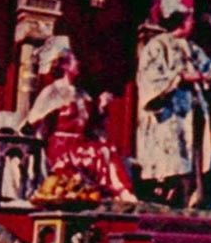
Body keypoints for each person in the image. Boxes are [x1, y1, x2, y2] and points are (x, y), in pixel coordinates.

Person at [135, 0, 211, 208]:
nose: (193, 22)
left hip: (193, 113)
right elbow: (150, 80)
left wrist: (208, 79)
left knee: (195, 160)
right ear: (180, 20)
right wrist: (180, 78)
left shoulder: (194, 49)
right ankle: (168, 197)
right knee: (171, 165)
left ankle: (193, 196)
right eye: (190, 18)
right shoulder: (157, 46)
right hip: (169, 115)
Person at [24, 36, 136, 201]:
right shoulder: (52, 91)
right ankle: (115, 192)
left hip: (82, 144)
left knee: (106, 149)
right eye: (75, 60)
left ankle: (118, 192)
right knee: (97, 152)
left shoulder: (83, 93)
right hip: (61, 146)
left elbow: (93, 126)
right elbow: (34, 122)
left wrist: (101, 109)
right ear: (64, 64)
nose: (79, 64)